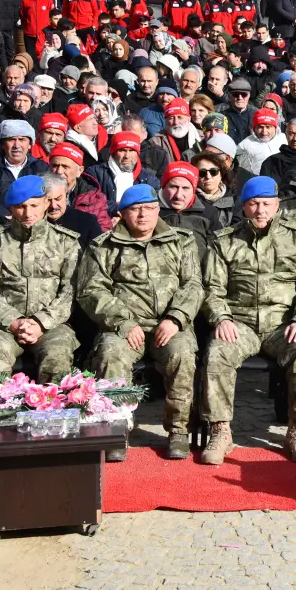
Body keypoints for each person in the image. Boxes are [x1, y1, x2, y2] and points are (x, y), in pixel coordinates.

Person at [200, 176, 296, 465]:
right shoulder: (225, 242)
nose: (260, 210)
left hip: (284, 325)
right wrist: (221, 317)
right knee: (217, 353)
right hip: (240, 323)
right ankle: (220, 432)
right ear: (244, 207)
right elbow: (212, 290)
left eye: (266, 204)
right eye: (254, 204)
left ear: (277, 205)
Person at [76, 183, 203, 462]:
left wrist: (175, 318)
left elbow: (193, 285)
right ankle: (117, 428)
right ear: (122, 214)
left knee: (182, 355)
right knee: (110, 355)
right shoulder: (103, 246)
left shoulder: (181, 241)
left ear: (158, 210)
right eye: (135, 209)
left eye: (148, 208)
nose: (143, 215)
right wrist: (123, 322)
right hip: (123, 325)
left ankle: (178, 430)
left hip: (168, 325)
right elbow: (90, 290)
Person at [0, 175, 79, 388]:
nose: (28, 213)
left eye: (34, 205)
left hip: (52, 325)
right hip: (1, 325)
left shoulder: (66, 242)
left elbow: (70, 291)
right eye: (20, 207)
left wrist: (40, 323)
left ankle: (53, 418)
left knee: (57, 360)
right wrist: (13, 320)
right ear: (10, 208)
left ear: (46, 203)